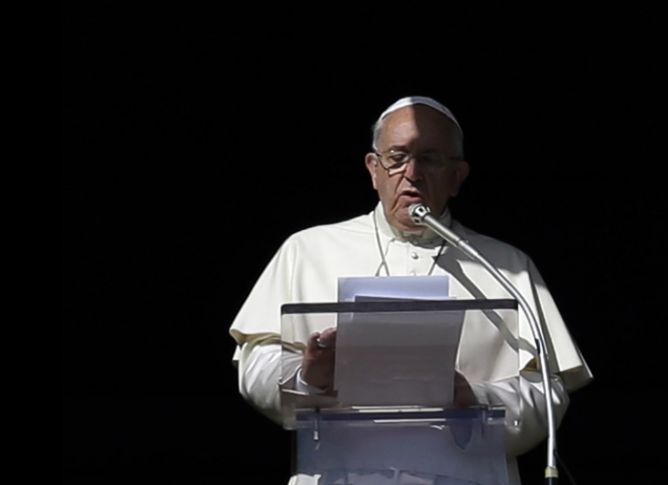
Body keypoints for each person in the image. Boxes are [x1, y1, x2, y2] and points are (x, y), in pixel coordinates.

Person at [229, 96, 593, 484]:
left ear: (458, 176)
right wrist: (306, 377)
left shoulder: (504, 265)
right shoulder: (307, 250)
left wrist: (475, 399)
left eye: (430, 159)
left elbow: (548, 391)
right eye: (397, 158)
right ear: (374, 170)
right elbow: (256, 362)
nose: (412, 173)